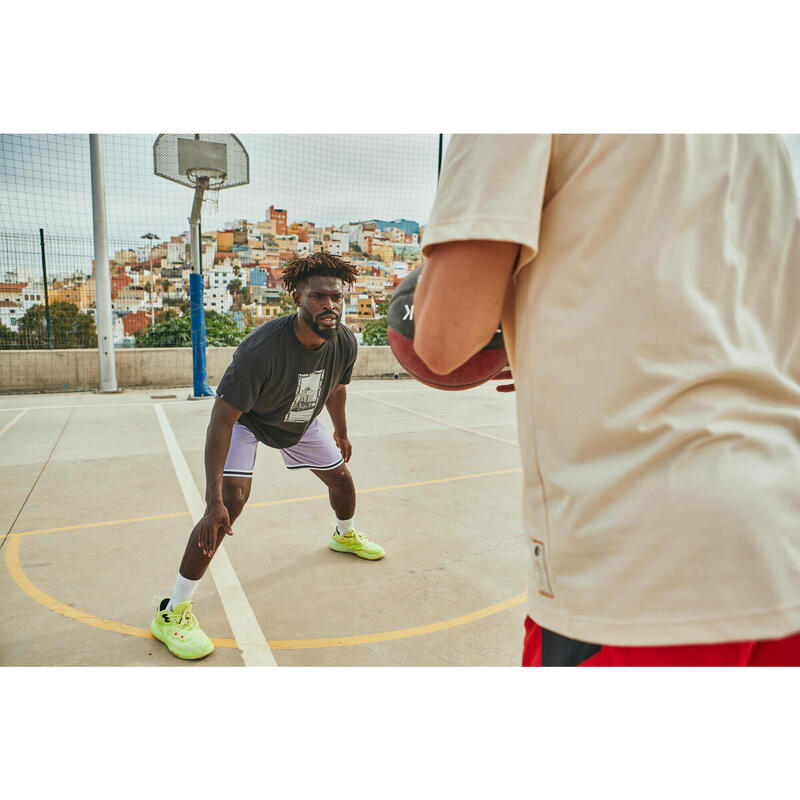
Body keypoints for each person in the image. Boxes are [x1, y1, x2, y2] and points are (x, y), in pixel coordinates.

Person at [413, 134, 800, 666]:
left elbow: (442, 339)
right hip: (782, 533)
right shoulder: (763, 140)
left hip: (637, 556)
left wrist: (434, 290)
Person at [151, 252, 385, 660]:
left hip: (300, 420)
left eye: (337, 297)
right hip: (250, 422)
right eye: (318, 297)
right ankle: (173, 611)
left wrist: (341, 431)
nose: (329, 305)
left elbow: (336, 388)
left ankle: (343, 535)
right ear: (297, 296)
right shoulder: (260, 351)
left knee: (342, 481)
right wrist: (213, 500)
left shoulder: (343, 339)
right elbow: (221, 421)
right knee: (231, 504)